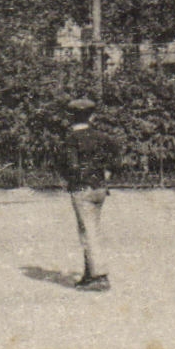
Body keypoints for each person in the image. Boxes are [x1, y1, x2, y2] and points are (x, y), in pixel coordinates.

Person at [57, 97, 121, 292]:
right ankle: (89, 274)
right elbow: (116, 157)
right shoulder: (101, 137)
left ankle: (99, 276)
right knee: (89, 228)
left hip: (81, 189)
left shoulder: (71, 140)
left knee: (88, 231)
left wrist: (70, 179)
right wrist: (107, 172)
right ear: (91, 117)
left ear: (71, 118)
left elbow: (70, 165)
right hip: (100, 188)